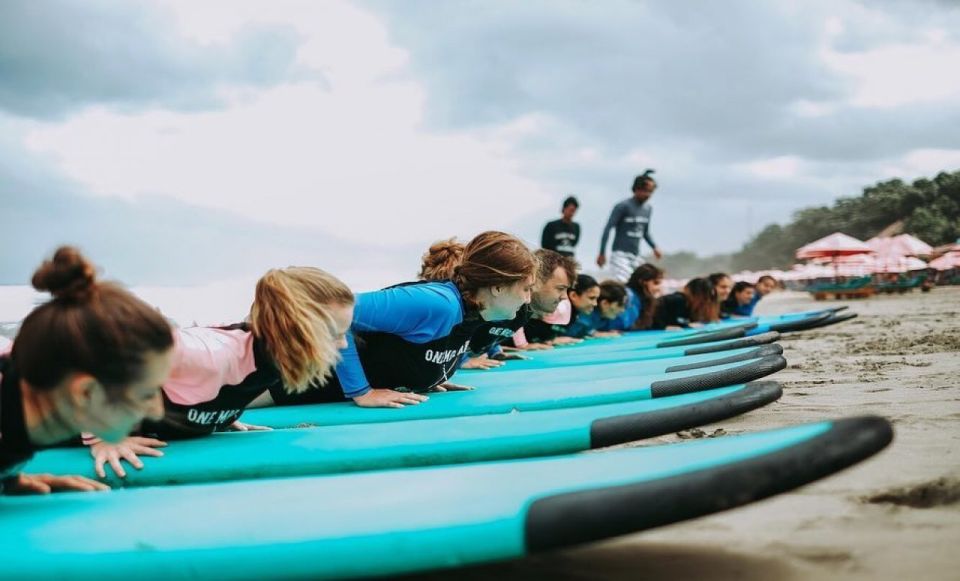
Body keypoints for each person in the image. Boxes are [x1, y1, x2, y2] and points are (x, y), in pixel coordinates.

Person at [88, 266, 355, 478]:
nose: (343, 344)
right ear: (294, 330)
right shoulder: (211, 353)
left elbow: (209, 386)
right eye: (335, 334)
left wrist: (218, 414)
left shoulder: (269, 356)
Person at [271, 231, 537, 408]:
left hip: (312, 392)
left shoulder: (474, 313)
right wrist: (362, 392)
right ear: (498, 287)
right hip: (279, 377)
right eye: (526, 288)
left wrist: (428, 378)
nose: (528, 299)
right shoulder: (437, 304)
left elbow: (412, 347)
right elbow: (330, 313)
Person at [2, 246, 174, 493]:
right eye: (147, 393)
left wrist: (8, 478)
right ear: (85, 393)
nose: (157, 412)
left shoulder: (25, 412)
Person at [503, 249, 578, 350]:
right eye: (560, 288)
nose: (565, 296)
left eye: (566, 289)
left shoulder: (526, 312)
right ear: (536, 281)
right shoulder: (506, 307)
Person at [597, 169, 662, 282]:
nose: (648, 195)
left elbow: (645, 232)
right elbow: (608, 229)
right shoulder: (622, 206)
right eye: (646, 191)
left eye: (651, 192)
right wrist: (602, 253)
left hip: (636, 255)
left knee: (644, 283)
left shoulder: (648, 209)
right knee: (624, 286)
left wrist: (654, 247)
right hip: (620, 255)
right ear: (637, 189)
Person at [599, 263, 663, 331]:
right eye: (656, 283)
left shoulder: (642, 301)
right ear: (642, 281)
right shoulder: (626, 295)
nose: (658, 288)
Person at [651, 277, 719, 330]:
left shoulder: (691, 306)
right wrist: (663, 326)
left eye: (711, 298)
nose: (708, 301)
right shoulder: (676, 300)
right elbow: (651, 315)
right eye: (706, 297)